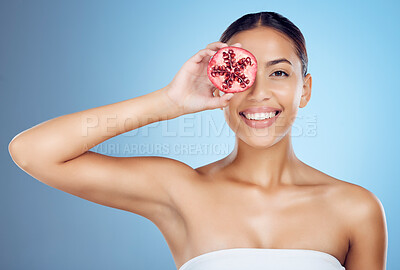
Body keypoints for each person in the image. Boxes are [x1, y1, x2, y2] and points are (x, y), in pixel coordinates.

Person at [8, 11, 387, 270]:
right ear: (218, 82)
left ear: (304, 91)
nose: (258, 93)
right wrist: (168, 101)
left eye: (280, 73)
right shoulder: (181, 190)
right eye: (242, 72)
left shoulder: (356, 209)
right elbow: (31, 152)